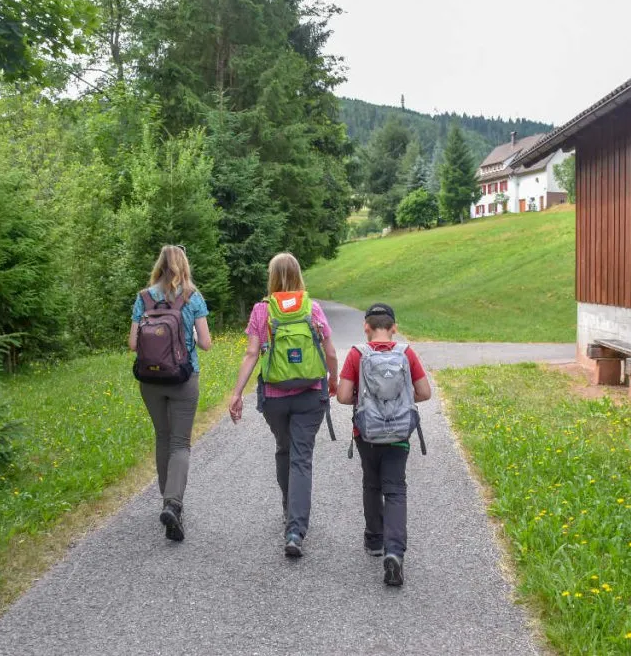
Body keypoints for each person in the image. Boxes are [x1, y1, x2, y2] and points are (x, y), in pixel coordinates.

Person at [228, 252, 338, 557]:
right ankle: (295, 530)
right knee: (301, 458)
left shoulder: (262, 310)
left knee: (284, 450)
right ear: (299, 275)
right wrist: (333, 379)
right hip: (309, 393)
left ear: (272, 276)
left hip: (275, 397)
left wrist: (237, 393)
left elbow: (251, 354)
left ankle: (290, 511)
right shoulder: (312, 308)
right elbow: (329, 351)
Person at [336, 303, 431, 586]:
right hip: (399, 434)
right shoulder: (406, 353)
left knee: (372, 484)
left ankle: (375, 540)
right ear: (394, 328)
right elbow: (424, 392)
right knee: (396, 489)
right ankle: (395, 552)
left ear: (366, 327)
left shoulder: (357, 354)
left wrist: (363, 397)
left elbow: (342, 396)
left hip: (366, 433)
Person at [129, 245, 212, 542]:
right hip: (182, 378)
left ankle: (169, 501)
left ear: (159, 265)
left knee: (162, 437)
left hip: (149, 380)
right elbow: (206, 343)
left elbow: (133, 344)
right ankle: (173, 504)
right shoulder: (193, 296)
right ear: (184, 265)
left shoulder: (144, 297)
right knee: (180, 442)